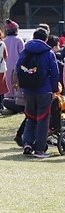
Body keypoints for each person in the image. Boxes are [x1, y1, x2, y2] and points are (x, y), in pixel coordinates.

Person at [18, 27, 62, 159]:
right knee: (43, 119)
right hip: (44, 90)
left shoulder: (25, 51)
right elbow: (55, 73)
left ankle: (27, 143)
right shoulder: (48, 53)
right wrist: (55, 89)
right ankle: (39, 149)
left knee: (30, 117)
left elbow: (18, 68)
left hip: (28, 90)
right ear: (46, 38)